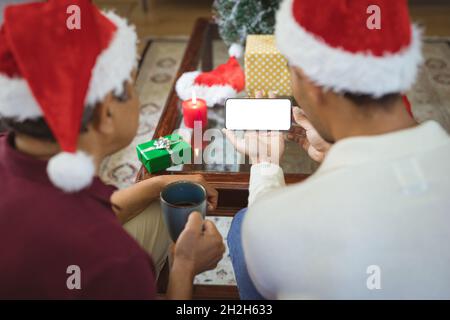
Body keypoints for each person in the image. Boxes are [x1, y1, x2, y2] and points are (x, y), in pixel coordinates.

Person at [225, 0, 450, 299]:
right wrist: (336, 151)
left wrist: (265, 168)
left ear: (312, 83)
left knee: (242, 227)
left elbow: (271, 239)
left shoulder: (271, 222)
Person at [0, 0, 224, 299]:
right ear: (106, 113)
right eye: (132, 86)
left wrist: (158, 182)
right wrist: (185, 265)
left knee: (161, 202)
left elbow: (74, 217)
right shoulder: (115, 262)